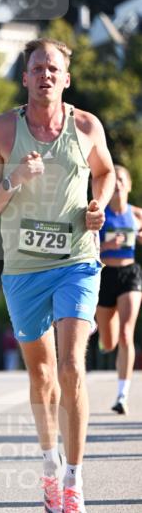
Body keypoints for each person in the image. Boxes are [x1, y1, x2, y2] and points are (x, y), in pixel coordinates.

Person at [0, 38, 115, 513]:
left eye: (53, 68)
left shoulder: (86, 127)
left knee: (73, 366)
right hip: (23, 270)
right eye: (37, 68)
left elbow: (105, 173)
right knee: (42, 376)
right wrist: (14, 178)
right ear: (25, 78)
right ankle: (50, 465)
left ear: (66, 79)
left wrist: (98, 206)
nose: (45, 76)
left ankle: (74, 483)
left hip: (76, 261)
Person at [95, 164, 142, 414]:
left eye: (122, 179)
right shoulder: (99, 215)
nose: (118, 184)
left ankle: (122, 396)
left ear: (129, 185)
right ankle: (103, 335)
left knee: (126, 334)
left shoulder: (136, 215)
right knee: (109, 342)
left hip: (129, 274)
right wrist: (108, 245)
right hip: (105, 276)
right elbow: (86, 249)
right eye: (114, 180)